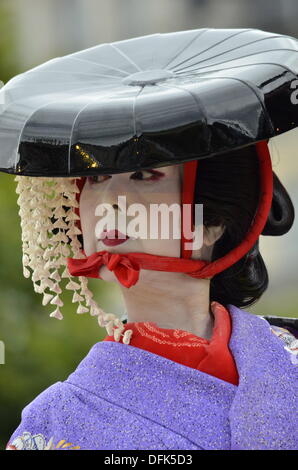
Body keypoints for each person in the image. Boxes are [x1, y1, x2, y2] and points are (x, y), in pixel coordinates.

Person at [1, 27, 297, 450]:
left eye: (144, 175)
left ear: (211, 222)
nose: (111, 200)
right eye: (97, 177)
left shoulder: (288, 359)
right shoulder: (57, 421)